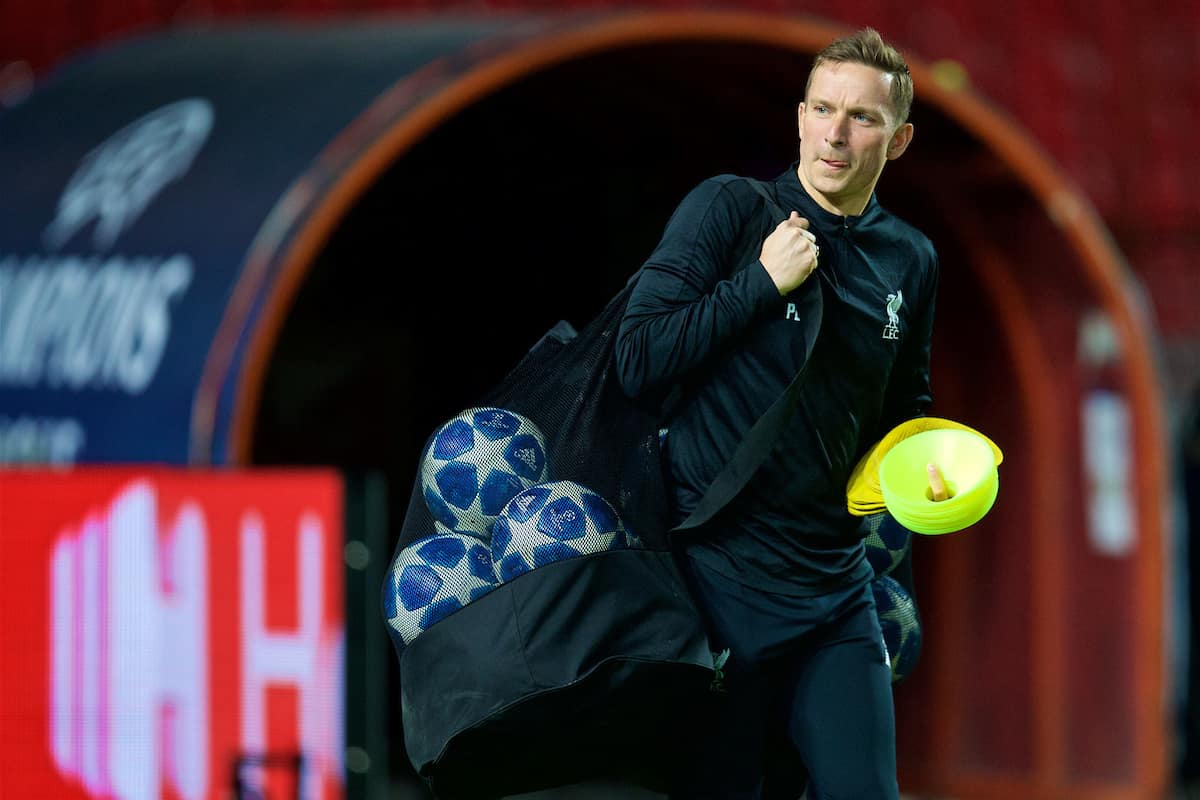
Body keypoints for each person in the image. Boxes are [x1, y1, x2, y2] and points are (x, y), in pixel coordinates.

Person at [615, 27, 939, 799]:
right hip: (711, 582)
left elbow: (902, 408)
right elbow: (638, 356)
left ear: (898, 141)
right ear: (798, 117)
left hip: (834, 590)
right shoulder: (731, 208)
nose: (836, 132)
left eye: (863, 117)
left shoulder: (912, 258)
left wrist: (921, 467)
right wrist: (759, 283)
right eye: (823, 109)